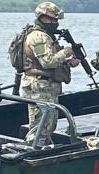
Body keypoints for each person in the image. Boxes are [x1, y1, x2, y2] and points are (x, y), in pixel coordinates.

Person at [19, 2, 81, 147]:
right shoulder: (39, 36)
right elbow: (48, 62)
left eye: (56, 20)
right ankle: (34, 152)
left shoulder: (46, 35)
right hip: (39, 87)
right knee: (40, 126)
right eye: (52, 20)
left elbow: (44, 64)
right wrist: (65, 52)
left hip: (45, 86)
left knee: (47, 125)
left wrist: (68, 63)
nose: (55, 23)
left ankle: (40, 148)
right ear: (42, 18)